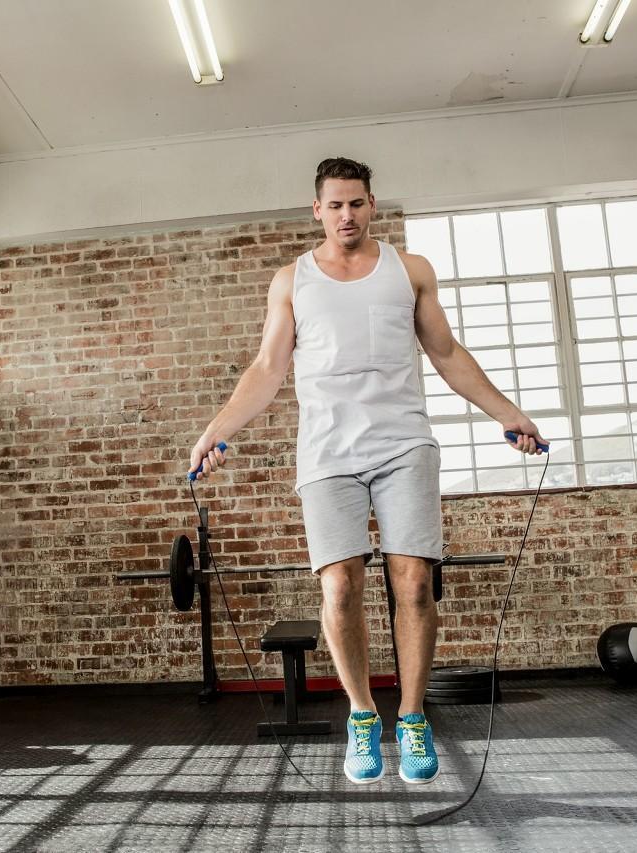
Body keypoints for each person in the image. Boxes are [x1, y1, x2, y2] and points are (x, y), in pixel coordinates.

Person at [187, 156, 546, 785]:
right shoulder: (291, 281)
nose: (346, 215)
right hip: (327, 451)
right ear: (317, 210)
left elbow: (446, 353)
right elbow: (268, 369)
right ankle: (361, 716)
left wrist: (508, 413)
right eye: (335, 205)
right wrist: (216, 430)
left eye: (356, 203)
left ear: (372, 204)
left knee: (414, 582)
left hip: (404, 443)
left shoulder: (410, 270)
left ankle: (411, 717)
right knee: (340, 587)